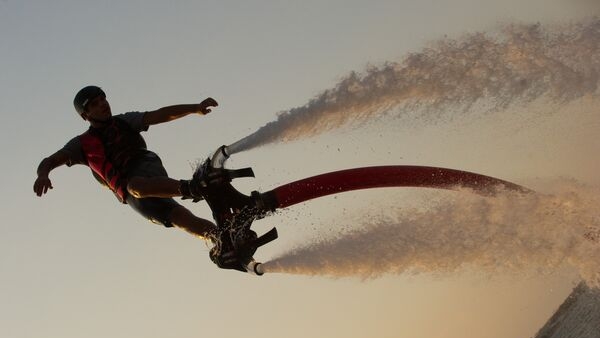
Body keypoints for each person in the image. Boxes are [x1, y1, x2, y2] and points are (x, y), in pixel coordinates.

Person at [33, 85, 219, 241]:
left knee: (135, 186)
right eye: (95, 104)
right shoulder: (80, 145)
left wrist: (195, 108)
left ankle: (195, 187)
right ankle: (222, 238)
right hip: (129, 195)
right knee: (179, 218)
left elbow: (159, 115)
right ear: (85, 115)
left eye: (103, 99)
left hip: (144, 165)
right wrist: (43, 174)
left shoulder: (124, 121)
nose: (103, 105)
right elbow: (49, 161)